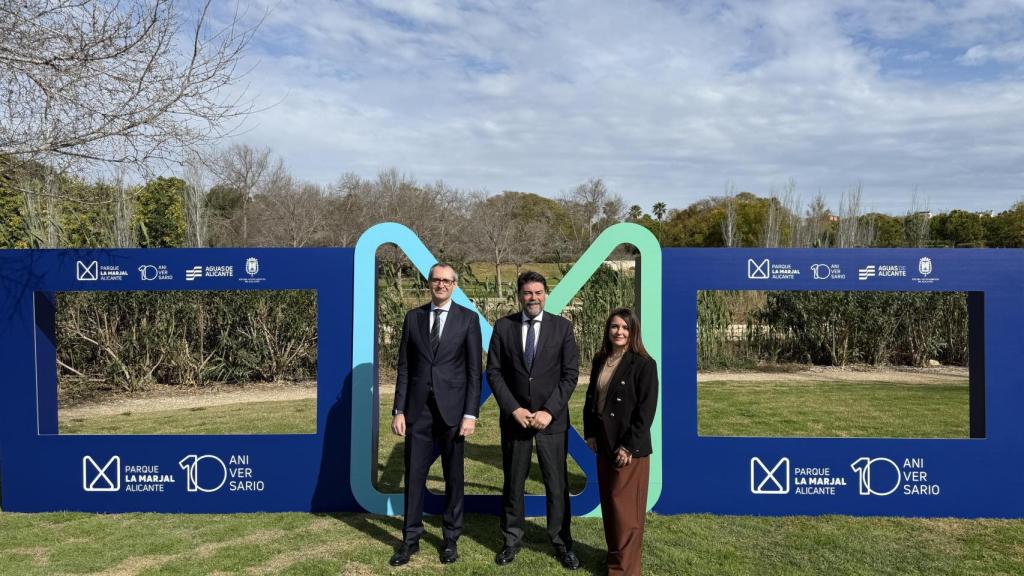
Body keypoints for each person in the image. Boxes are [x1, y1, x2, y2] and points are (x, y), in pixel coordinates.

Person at [388, 263, 482, 567]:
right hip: (417, 411)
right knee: (414, 475)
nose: (440, 285)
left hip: (454, 411)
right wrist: (399, 409)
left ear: (454, 285)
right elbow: (404, 367)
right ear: (428, 284)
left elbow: (473, 373)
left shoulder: (468, 320)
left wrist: (471, 414)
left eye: (446, 280)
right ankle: (410, 539)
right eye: (435, 280)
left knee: (454, 477)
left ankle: (450, 539)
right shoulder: (413, 318)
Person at [487, 270, 581, 570]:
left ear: (546, 294)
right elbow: (494, 372)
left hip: (551, 422)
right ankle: (511, 540)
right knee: (514, 483)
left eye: (538, 292)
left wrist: (548, 410)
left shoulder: (562, 328)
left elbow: (570, 375)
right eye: (527, 293)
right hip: (516, 420)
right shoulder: (503, 327)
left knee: (556, 484)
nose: (533, 298)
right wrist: (513, 408)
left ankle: (562, 542)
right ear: (519, 295)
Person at [583, 307, 658, 576]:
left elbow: (646, 411)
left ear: (633, 332)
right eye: (615, 326)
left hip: (629, 448)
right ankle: (614, 558)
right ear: (608, 330)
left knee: (627, 513)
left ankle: (625, 570)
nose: (619, 332)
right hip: (603, 442)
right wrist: (590, 433)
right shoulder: (600, 359)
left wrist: (629, 446)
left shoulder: (644, 364)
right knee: (611, 506)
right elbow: (592, 399)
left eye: (625, 327)